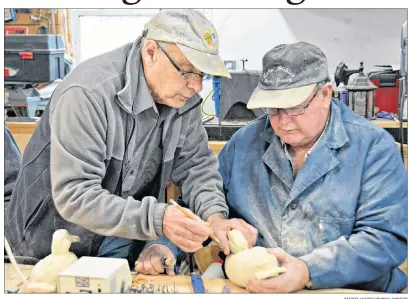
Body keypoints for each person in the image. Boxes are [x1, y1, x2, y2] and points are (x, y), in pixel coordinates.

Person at [137, 42, 408, 293]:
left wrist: (308, 270)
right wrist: (165, 244)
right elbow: (202, 206)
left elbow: (386, 240)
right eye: (274, 109)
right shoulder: (244, 144)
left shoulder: (373, 149)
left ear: (325, 94)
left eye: (295, 108)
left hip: (352, 290)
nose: (284, 121)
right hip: (259, 289)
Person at [4, 9, 257, 268]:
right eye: (187, 70)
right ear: (150, 52)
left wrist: (215, 217)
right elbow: (74, 195)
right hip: (45, 250)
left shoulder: (182, 99)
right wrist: (158, 219)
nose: (196, 87)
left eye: (201, 74)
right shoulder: (87, 94)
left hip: (115, 244)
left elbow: (197, 168)